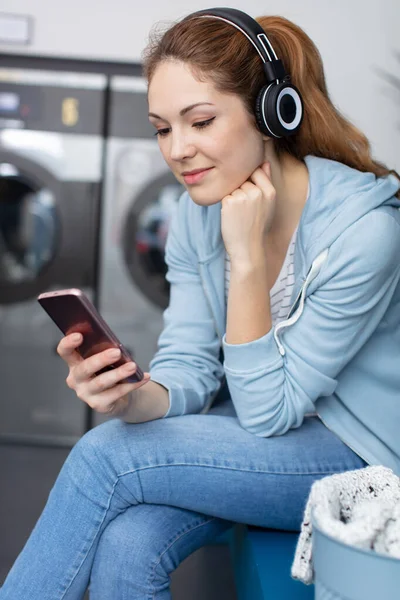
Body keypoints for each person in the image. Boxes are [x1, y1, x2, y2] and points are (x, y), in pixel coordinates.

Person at [1, 7, 400, 600]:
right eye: (163, 128)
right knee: (128, 544)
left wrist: (246, 261)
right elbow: (189, 366)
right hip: (251, 440)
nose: (178, 150)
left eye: (201, 121)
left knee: (103, 457)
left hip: (361, 460)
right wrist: (132, 397)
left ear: (272, 114)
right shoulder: (194, 215)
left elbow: (270, 411)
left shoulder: (366, 232)